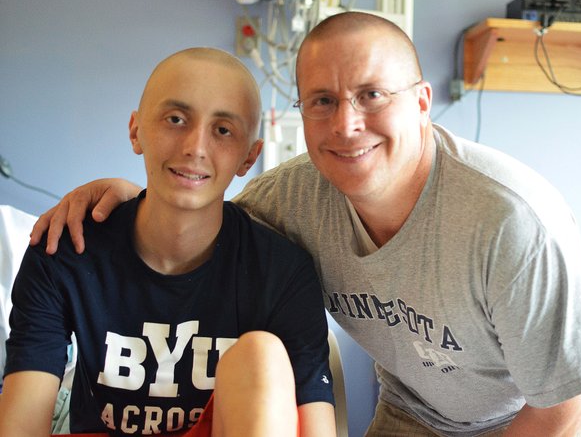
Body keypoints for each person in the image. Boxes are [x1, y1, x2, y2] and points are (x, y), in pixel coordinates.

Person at [29, 12, 581, 437]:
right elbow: (197, 201)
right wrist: (129, 197)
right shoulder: (293, 199)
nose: (345, 125)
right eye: (321, 100)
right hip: (418, 410)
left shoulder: (505, 220)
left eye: (371, 95)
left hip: (555, 411)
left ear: (421, 102)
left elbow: (564, 401)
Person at [0, 47, 336, 437]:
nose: (195, 147)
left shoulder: (282, 271)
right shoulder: (65, 247)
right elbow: (20, 426)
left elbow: (318, 427)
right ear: (136, 129)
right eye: (176, 119)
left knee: (260, 354)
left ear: (249, 157)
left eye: (223, 130)